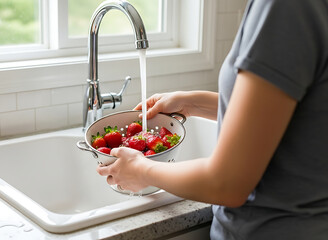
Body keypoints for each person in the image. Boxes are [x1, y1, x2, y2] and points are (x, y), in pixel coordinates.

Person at [96, 0, 328, 239]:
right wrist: (193, 103)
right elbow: (292, 114)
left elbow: (227, 182)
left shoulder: (286, 8)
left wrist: (142, 170)